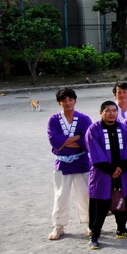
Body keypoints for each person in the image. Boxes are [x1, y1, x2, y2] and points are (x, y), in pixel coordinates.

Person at [84, 100, 127, 250]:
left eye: (114, 110)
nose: (111, 113)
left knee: (122, 201)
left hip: (121, 174)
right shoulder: (93, 130)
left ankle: (121, 229)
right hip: (102, 174)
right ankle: (94, 234)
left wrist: (121, 167)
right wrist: (111, 169)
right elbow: (94, 152)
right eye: (107, 111)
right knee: (99, 204)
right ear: (101, 113)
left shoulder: (123, 128)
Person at [47, 88, 91, 241]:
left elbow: (86, 140)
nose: (68, 103)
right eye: (64, 100)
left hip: (81, 161)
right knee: (60, 195)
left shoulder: (84, 119)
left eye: (70, 99)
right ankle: (58, 225)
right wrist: (75, 138)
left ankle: (90, 223)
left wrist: (64, 142)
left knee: (85, 194)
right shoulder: (53, 120)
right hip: (62, 162)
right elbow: (54, 140)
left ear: (75, 101)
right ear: (59, 102)